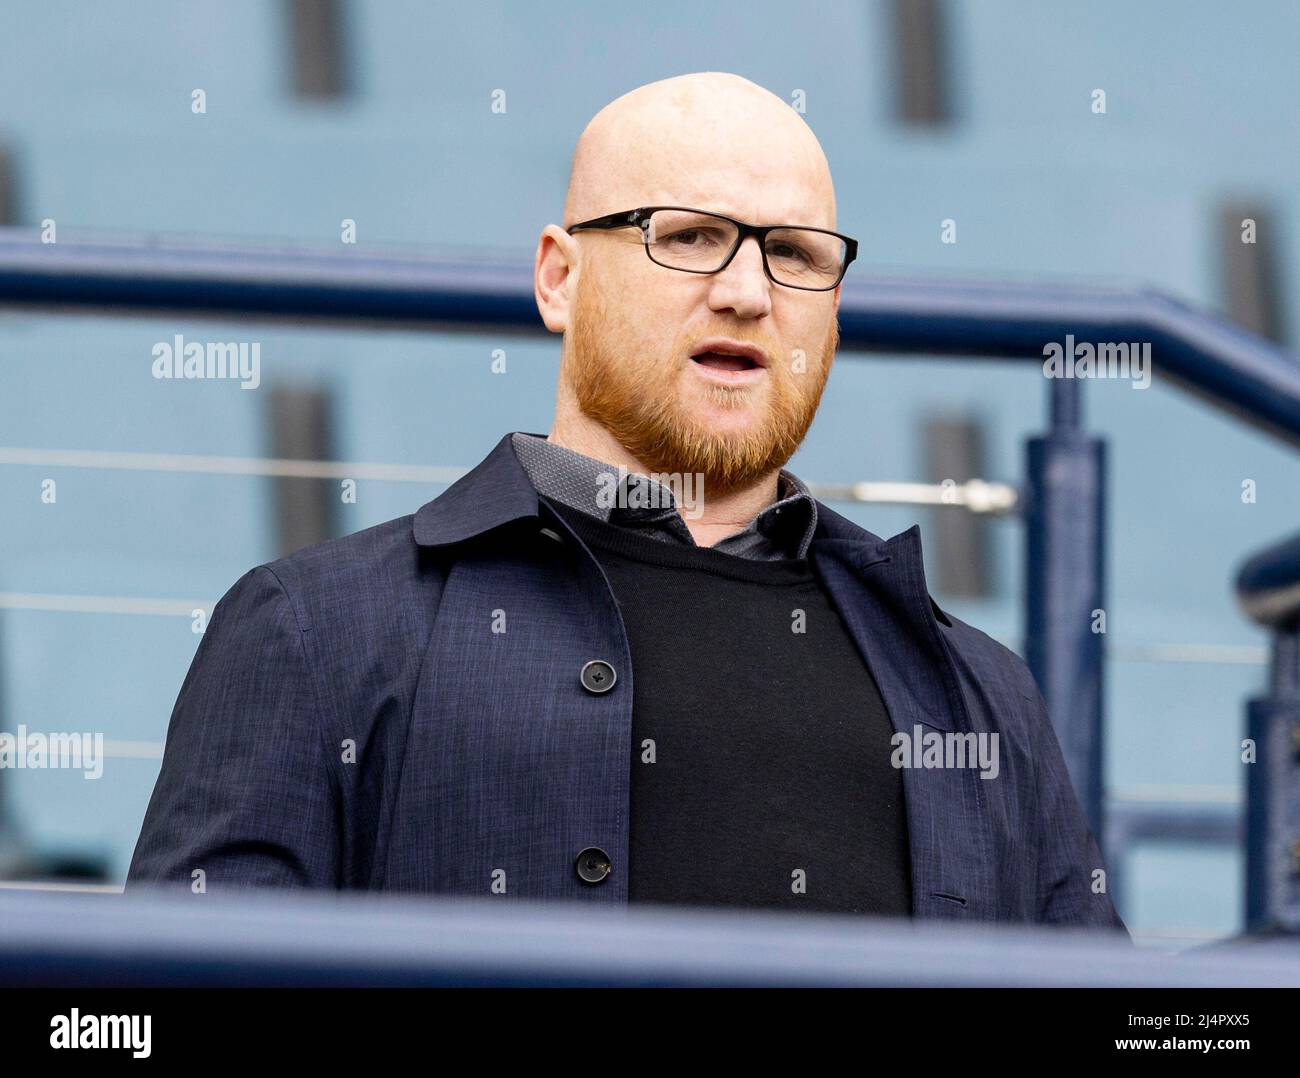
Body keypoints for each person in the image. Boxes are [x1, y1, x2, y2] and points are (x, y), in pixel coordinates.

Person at [128, 71, 1127, 932]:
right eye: (688, 236)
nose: (747, 290)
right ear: (559, 278)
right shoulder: (316, 631)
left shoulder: (976, 688)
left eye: (797, 255)